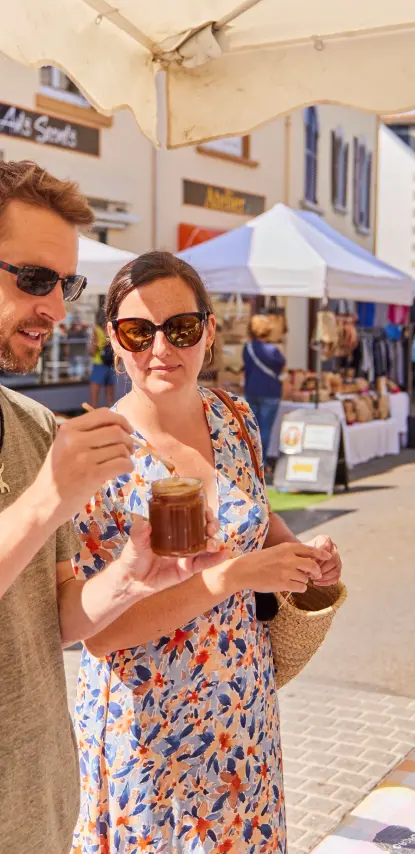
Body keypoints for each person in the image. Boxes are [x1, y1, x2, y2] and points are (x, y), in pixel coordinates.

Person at [71, 251, 343, 853]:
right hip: (150, 724)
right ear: (113, 341)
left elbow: (256, 512)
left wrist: (300, 556)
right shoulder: (99, 453)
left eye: (181, 329)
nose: (160, 348)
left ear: (210, 332)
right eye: (138, 332)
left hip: (241, 707)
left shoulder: (234, 415)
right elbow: (99, 634)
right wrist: (235, 577)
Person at [0, 161, 222, 854]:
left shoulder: (33, 427)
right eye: (34, 280)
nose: (58, 310)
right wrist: (47, 499)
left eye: (67, 286)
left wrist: (133, 573)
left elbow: (58, 618)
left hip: (39, 810)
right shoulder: (51, 459)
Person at [242, 313, 286, 462]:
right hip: (270, 391)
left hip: (252, 389)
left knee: (251, 428)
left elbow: (246, 369)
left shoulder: (248, 348)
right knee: (265, 429)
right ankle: (262, 462)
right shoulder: (273, 350)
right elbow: (281, 367)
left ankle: (251, 461)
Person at [89, 308, 117, 407]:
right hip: (111, 364)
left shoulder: (96, 330)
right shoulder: (111, 330)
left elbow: (92, 351)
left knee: (94, 397)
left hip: (99, 363)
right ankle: (111, 417)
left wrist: (97, 345)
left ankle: (92, 415)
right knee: (110, 398)